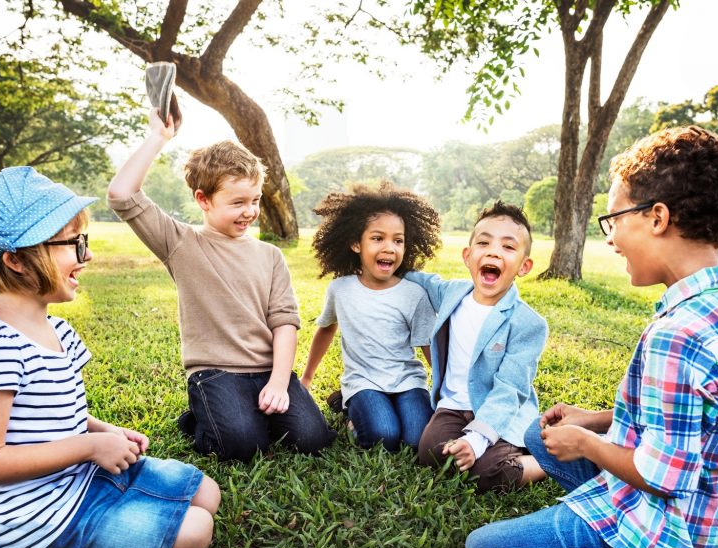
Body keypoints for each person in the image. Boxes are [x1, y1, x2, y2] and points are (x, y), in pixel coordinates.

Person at [465, 126, 718, 548]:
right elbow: (697, 419)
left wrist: (586, 444)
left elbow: (665, 477)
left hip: (670, 526)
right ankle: (608, 520)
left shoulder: (679, 335)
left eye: (613, 220)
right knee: (536, 435)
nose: (610, 238)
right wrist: (593, 420)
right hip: (710, 515)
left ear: (657, 217)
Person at [0, 167, 220, 548]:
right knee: (196, 533)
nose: (87, 256)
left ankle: (100, 532)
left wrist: (104, 432)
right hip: (33, 514)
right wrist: (89, 447)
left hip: (76, 479)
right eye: (74, 243)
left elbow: (49, 415)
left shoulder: (56, 329)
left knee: (207, 494)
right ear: (16, 259)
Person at [107, 108, 336, 463]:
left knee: (313, 439)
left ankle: (248, 412)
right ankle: (201, 417)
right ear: (203, 199)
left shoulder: (270, 255)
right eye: (237, 202)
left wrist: (279, 382)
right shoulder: (180, 243)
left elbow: (284, 323)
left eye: (255, 200)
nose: (250, 211)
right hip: (216, 374)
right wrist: (159, 137)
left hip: (268, 370)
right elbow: (122, 195)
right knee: (242, 447)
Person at [404, 202, 548, 493]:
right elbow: (419, 278)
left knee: (486, 473)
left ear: (524, 266)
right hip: (454, 407)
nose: (493, 252)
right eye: (484, 243)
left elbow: (510, 389)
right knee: (430, 453)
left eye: (508, 247)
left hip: (500, 412)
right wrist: (385, 264)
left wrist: (476, 440)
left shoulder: (528, 323)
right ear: (468, 256)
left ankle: (543, 461)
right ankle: (473, 448)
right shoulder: (452, 293)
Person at [300, 183, 441, 452]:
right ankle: (352, 412)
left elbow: (428, 345)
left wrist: (447, 389)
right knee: (383, 436)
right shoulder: (341, 289)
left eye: (398, 240)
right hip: (364, 381)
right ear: (356, 243)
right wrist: (307, 377)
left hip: (408, 381)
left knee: (416, 440)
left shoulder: (414, 294)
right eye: (378, 238)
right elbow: (326, 329)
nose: (389, 248)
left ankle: (358, 407)